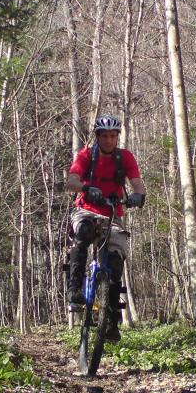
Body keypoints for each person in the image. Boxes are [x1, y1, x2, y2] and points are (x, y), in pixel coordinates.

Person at [65, 115, 146, 342]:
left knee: (115, 262)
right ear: (97, 137)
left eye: (112, 136)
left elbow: (137, 182)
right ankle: (75, 289)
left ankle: (111, 320)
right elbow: (71, 181)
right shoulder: (86, 155)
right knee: (83, 234)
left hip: (113, 213)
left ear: (117, 137)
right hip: (86, 210)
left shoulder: (125, 157)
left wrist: (138, 195)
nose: (109, 140)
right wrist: (85, 188)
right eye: (104, 136)